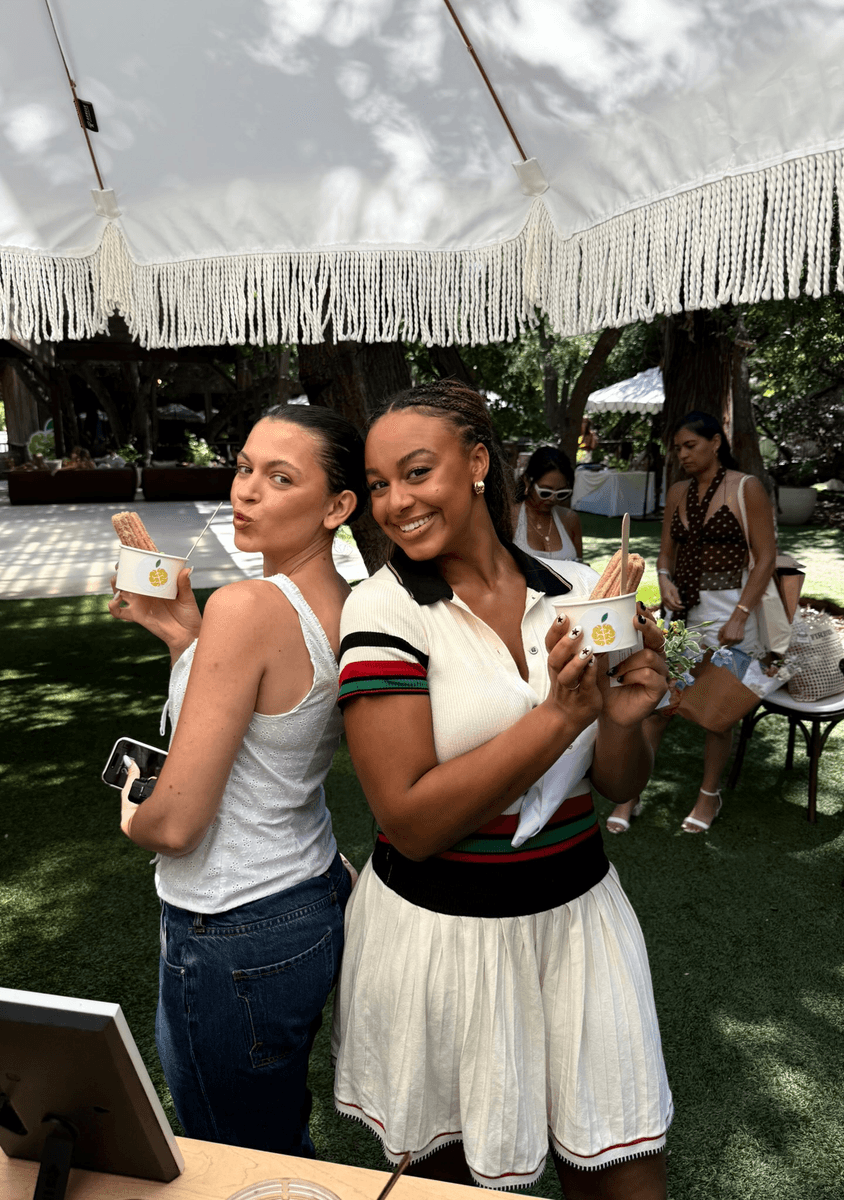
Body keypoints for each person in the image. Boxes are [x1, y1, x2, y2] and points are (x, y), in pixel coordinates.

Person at [332, 381, 672, 1199]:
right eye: (379, 485)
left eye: (417, 473)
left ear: (478, 462)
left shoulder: (576, 588)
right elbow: (409, 823)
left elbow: (617, 785)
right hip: (444, 939)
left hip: (579, 921)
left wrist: (623, 718)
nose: (395, 503)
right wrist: (559, 716)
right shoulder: (381, 611)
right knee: (456, 1184)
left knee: (626, 1179)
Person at [107, 404, 367, 1156]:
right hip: (310, 894)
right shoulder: (344, 605)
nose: (246, 490)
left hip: (231, 925)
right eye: (246, 466)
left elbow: (178, 825)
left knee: (238, 1156)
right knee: (276, 1131)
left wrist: (133, 806)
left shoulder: (249, 605)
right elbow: (270, 732)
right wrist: (182, 633)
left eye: (280, 477)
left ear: (337, 506)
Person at [606, 411, 777, 836]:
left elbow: (767, 557)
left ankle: (708, 795)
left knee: (719, 710)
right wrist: (663, 579)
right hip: (681, 615)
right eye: (677, 448)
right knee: (659, 704)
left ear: (716, 443)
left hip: (731, 612)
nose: (682, 454)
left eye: (690, 445)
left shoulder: (746, 488)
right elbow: (666, 553)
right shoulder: (679, 491)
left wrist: (740, 615)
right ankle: (631, 790)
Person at [513, 444, 583, 560]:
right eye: (545, 492)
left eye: (561, 493)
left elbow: (580, 565)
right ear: (527, 482)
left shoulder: (570, 520)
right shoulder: (509, 518)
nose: (553, 499)